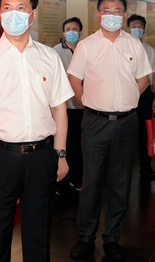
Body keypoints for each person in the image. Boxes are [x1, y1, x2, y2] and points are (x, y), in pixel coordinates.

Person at [0, 0, 74, 262]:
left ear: (33, 14)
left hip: (41, 157)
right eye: (7, 8)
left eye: (20, 8)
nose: (13, 14)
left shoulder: (49, 57)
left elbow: (60, 109)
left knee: (39, 233)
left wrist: (60, 154)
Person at [67, 0, 151, 262]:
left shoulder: (134, 45)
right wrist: (87, 103)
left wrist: (127, 100)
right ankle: (85, 237)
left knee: (120, 183)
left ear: (124, 15)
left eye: (117, 11)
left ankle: (112, 238)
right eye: (107, 10)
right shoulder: (86, 45)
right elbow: (74, 78)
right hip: (95, 122)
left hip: (126, 122)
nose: (111, 15)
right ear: (98, 14)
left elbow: (144, 79)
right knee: (91, 182)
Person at [127, 14, 155, 180]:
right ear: (128, 29)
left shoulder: (150, 50)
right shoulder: (121, 48)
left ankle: (145, 166)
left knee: (145, 132)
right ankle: (123, 167)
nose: (137, 29)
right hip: (125, 94)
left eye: (140, 27)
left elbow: (154, 75)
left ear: (145, 30)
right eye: (134, 26)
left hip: (145, 95)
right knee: (126, 131)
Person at [53, 17, 85, 192]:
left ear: (80, 32)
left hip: (84, 107)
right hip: (64, 108)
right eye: (68, 29)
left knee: (80, 145)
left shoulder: (85, 49)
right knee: (65, 144)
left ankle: (77, 178)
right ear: (63, 33)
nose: (71, 32)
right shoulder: (56, 51)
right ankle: (61, 181)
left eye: (75, 29)